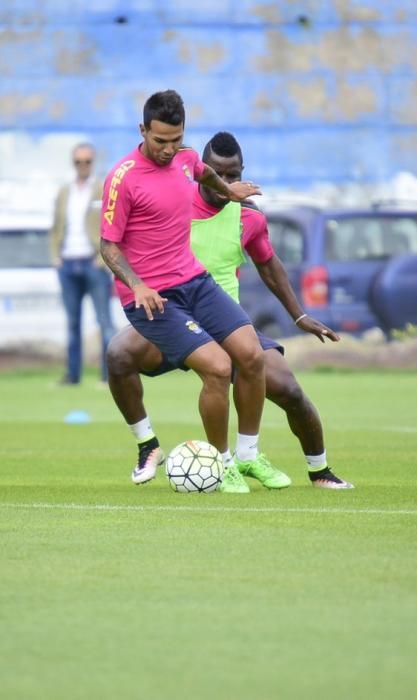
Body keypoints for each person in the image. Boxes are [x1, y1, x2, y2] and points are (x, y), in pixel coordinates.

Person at [107, 131, 354, 490]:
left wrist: (299, 315)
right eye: (218, 174)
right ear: (203, 170)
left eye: (234, 175)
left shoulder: (249, 217)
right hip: (172, 314)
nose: (225, 182)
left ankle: (317, 472)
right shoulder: (173, 198)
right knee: (118, 355)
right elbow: (123, 238)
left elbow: (270, 266)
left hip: (224, 319)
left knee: (289, 390)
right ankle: (148, 446)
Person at [100, 90, 289, 494]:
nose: (169, 150)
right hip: (152, 298)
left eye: (176, 139)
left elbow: (201, 171)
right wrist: (138, 284)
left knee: (252, 355)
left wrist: (228, 190)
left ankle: (249, 456)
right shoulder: (122, 177)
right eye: (160, 141)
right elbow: (108, 246)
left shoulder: (185, 158)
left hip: (195, 281)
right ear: (142, 130)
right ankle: (221, 466)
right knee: (219, 368)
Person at [50, 143, 116, 384]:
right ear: (73, 163)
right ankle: (72, 375)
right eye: (78, 162)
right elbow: (55, 225)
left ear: (93, 162)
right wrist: (55, 255)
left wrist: (103, 259)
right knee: (72, 323)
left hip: (93, 263)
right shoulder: (65, 192)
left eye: (87, 161)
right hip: (68, 263)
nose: (83, 166)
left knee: (105, 322)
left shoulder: (102, 189)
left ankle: (109, 376)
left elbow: (112, 225)